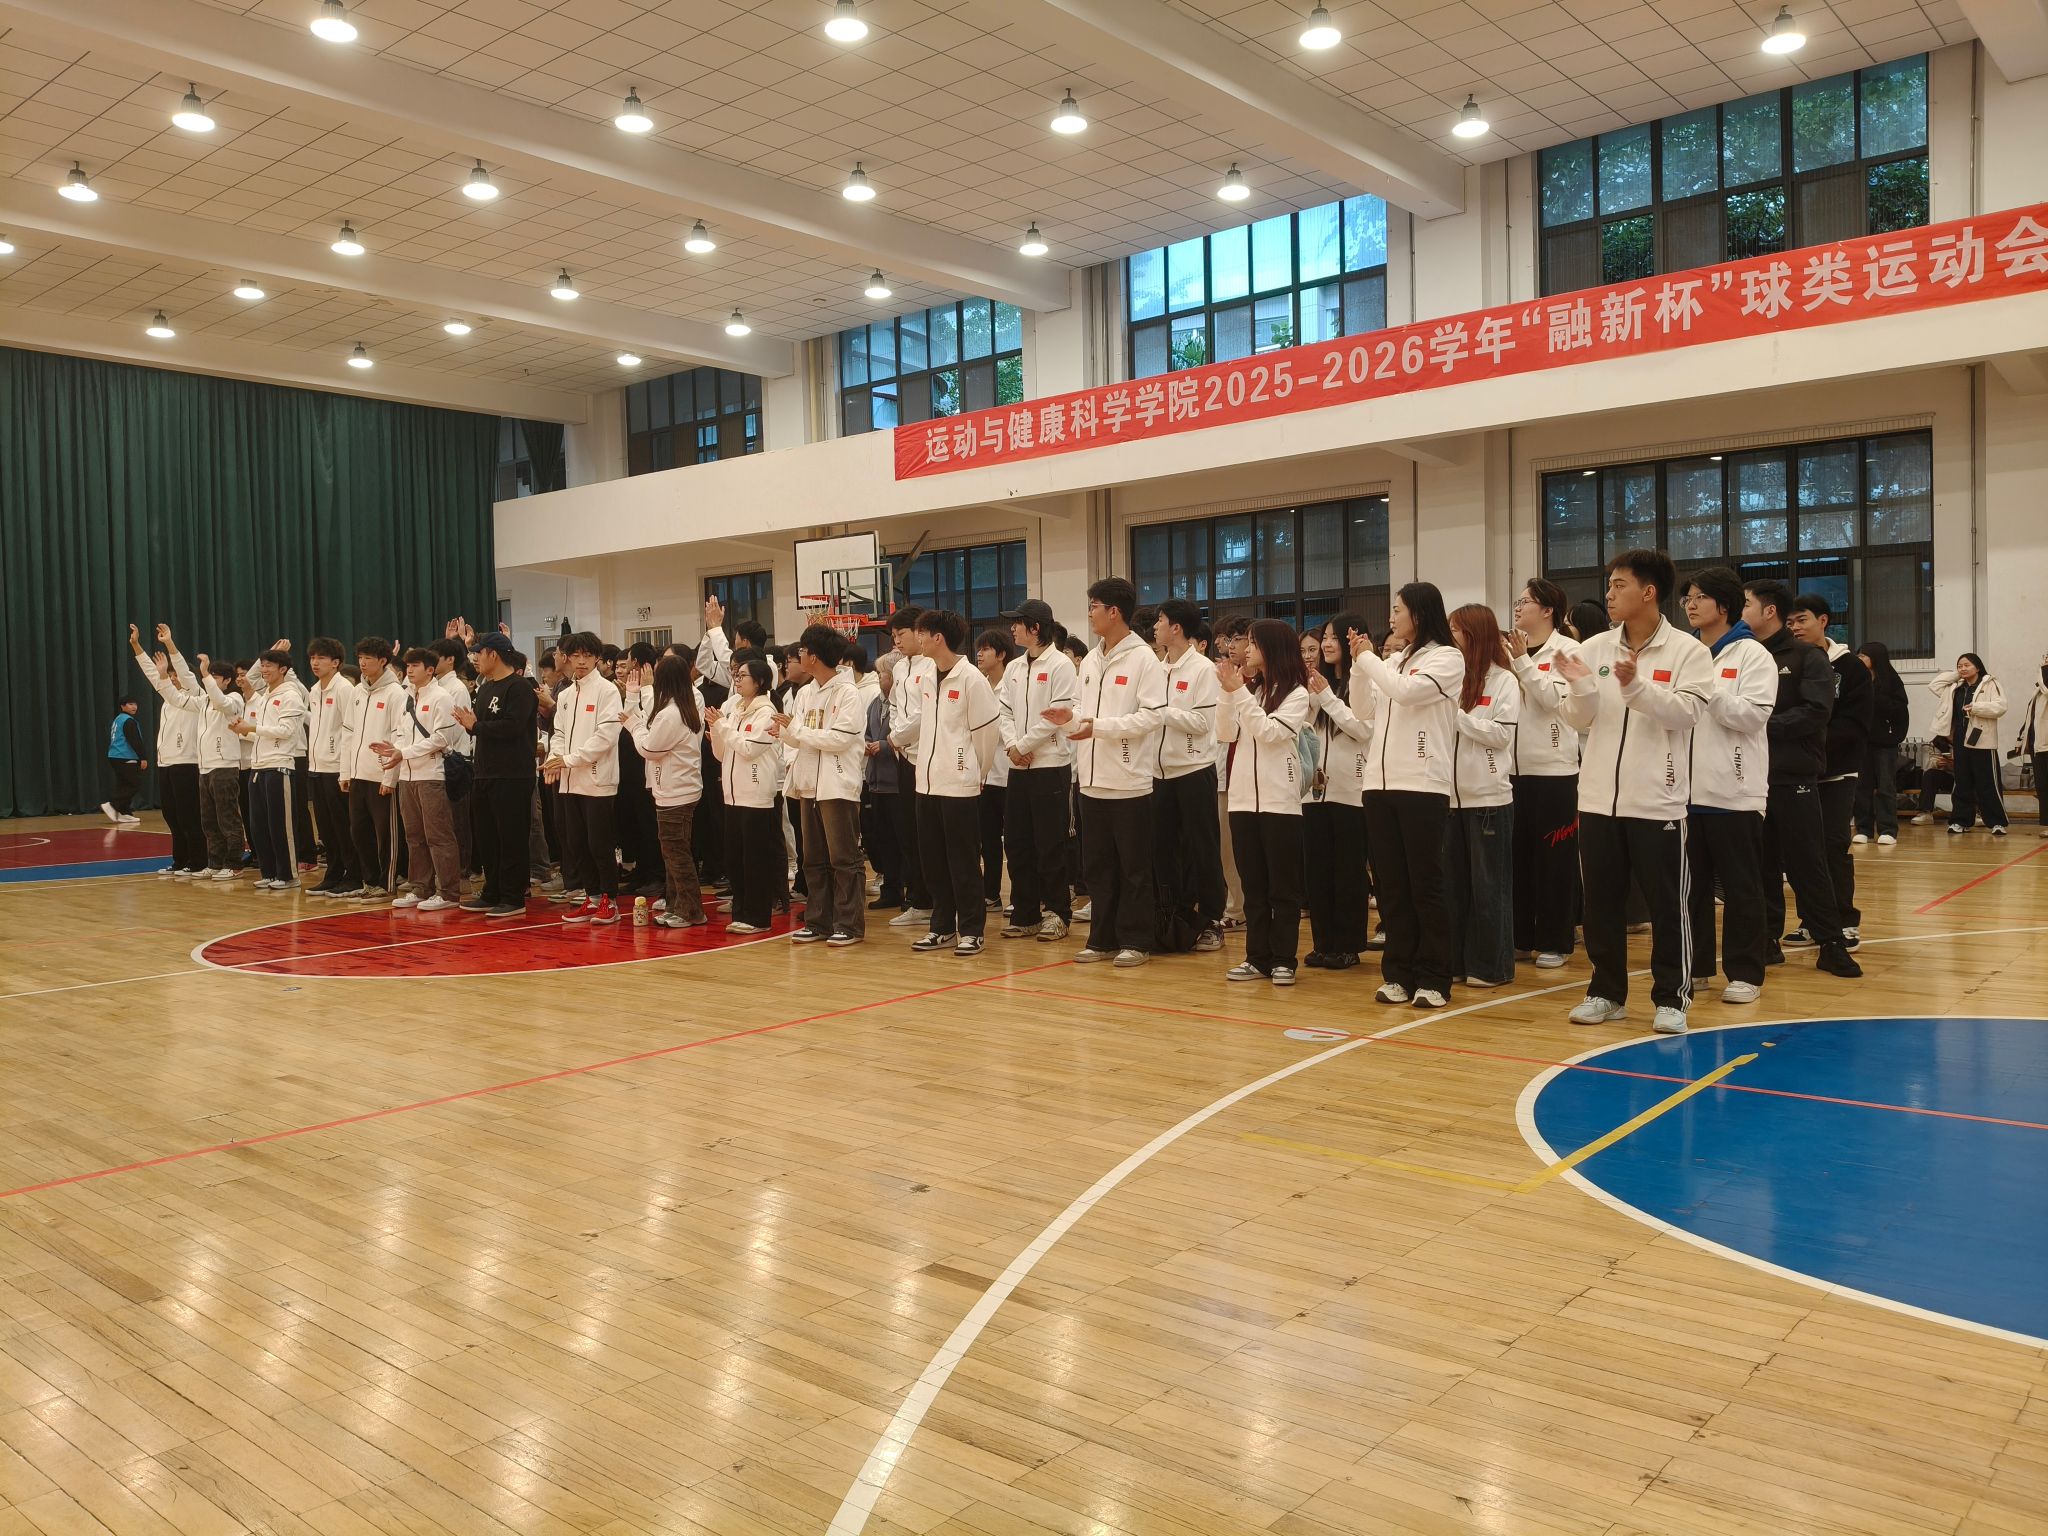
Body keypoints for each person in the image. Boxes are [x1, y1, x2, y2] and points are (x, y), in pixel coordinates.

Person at [1556, 550, 1717, 1033]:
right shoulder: (1594, 649)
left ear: (1648, 592)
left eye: (1619, 584)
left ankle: (1672, 998)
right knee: (1600, 904)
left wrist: (1637, 688)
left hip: (1657, 801)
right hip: (1597, 798)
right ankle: (1606, 992)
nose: (1609, 593)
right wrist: (1580, 688)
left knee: (1668, 904)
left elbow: (1688, 713)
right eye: (1609, 584)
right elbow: (1577, 719)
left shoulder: (1688, 652)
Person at [1351, 583, 1466, 1008]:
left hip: (1422, 784)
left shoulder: (1447, 658)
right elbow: (1363, 709)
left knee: (1426, 885)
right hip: (1378, 786)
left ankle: (1434, 977)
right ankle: (1398, 973)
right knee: (1392, 887)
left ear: (1419, 613)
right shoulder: (1394, 660)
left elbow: (1407, 693)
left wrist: (1368, 659)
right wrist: (1359, 666)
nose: (1391, 618)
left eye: (1397, 610)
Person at [1742, 579, 1862, 977]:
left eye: (1746, 604)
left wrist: (1757, 725)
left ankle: (1830, 943)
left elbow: (1815, 712)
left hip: (1793, 774)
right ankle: (1767, 939)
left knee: (1807, 862)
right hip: (1750, 778)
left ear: (1769, 610)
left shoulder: (1808, 656)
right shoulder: (1745, 654)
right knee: (1761, 864)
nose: (1740, 611)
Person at [1051, 577, 1167, 967]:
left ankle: (1136, 940)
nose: (1089, 614)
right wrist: (1069, 719)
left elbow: (1152, 717)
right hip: (1091, 780)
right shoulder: (1091, 661)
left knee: (1134, 869)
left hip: (1129, 782)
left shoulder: (1143, 659)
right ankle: (1102, 938)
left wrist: (1098, 727)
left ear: (1113, 612)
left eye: (1094, 607)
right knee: (1098, 868)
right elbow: (1082, 710)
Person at [1679, 566, 1776, 1005]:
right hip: (1683, 793)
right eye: (1687, 598)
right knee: (1690, 889)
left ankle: (1745, 972)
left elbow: (1753, 715)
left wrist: (1707, 692)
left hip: (1734, 793)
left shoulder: (1752, 655)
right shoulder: (1684, 652)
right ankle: (1696, 966)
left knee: (1741, 888)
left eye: (1699, 597)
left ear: (1724, 605)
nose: (1690, 604)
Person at [1217, 619, 1314, 984]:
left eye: (1254, 644)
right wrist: (1228, 693)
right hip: (1242, 801)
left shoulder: (1297, 694)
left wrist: (1239, 694)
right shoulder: (1251, 691)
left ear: (1271, 649)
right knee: (1254, 886)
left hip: (1279, 803)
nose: (1247, 650)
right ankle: (1257, 958)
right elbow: (1225, 732)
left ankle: (1284, 959)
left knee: (1282, 888)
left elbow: (1271, 732)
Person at [898, 609, 1000, 955]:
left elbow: (986, 735)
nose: (918, 639)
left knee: (963, 862)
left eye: (922, 633)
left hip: (959, 786)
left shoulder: (971, 679)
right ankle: (941, 927)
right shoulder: (927, 676)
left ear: (937, 637)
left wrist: (972, 771)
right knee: (934, 862)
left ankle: (971, 929)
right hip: (926, 785)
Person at [1445, 604, 1522, 989]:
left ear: (1475, 635)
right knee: (1454, 888)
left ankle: (1492, 967)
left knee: (1489, 888)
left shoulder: (1503, 680)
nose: (1450, 637)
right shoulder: (1451, 678)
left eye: (1456, 630)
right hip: (1449, 799)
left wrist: (1456, 717)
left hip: (1489, 799)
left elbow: (1502, 735)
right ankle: (1458, 962)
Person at [1507, 579, 1582, 968]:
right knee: (1516, 858)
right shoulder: (1507, 652)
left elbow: (1555, 699)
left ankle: (1556, 940)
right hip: (1509, 771)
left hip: (1554, 770)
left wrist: (1523, 663)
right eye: (1517, 602)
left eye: (1525, 602)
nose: (1518, 608)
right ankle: (1520, 937)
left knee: (1554, 860)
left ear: (1548, 610)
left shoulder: (1568, 650)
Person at [1787, 594, 1872, 943]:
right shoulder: (1788, 663)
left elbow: (1855, 723)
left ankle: (1844, 919)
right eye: (1790, 622)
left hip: (1837, 771)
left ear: (1823, 621)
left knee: (1833, 844)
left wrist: (1812, 740)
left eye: (1802, 620)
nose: (1795, 627)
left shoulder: (1850, 667)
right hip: (1798, 773)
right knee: (1802, 850)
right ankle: (1811, 920)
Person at [778, 624, 868, 947]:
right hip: (808, 784)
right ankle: (819, 921)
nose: (799, 656)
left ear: (813, 656)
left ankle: (849, 924)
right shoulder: (805, 693)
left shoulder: (848, 693)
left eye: (802, 651)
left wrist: (797, 731)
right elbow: (797, 737)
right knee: (812, 858)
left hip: (837, 784)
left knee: (844, 858)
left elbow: (840, 739)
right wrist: (785, 733)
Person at [995, 600, 1077, 942]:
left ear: (1036, 628)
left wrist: (1025, 745)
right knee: (1017, 843)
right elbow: (1004, 711)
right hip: (1019, 768)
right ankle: (1026, 913)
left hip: (1050, 766)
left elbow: (1058, 715)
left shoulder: (1061, 665)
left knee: (1050, 844)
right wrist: (1013, 746)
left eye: (1018, 623)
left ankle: (1057, 913)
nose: (1012, 629)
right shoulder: (1014, 667)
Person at [1151, 599, 1224, 952]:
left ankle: (1212, 919)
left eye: (1160, 621)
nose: (1155, 627)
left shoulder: (1203, 669)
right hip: (1158, 773)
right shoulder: (1155, 668)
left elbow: (1202, 722)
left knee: (1202, 847)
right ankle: (1173, 917)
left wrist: (1162, 711)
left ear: (1176, 628)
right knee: (1164, 849)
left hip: (1194, 770)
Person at [1303, 616, 1373, 969]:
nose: (1326, 644)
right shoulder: (1321, 682)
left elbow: (1363, 729)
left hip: (1352, 791)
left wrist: (1327, 698)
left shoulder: (1363, 679)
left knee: (1348, 872)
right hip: (1315, 791)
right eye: (1325, 637)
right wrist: (1312, 696)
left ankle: (1348, 945)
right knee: (1317, 871)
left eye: (1333, 637)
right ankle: (1323, 942)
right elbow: (1304, 727)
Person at [622, 650, 707, 928]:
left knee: (677, 854)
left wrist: (633, 726)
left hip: (675, 791)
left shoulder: (672, 714)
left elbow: (649, 748)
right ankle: (675, 904)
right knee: (674, 853)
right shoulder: (682, 706)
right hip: (679, 787)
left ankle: (690, 911)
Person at [455, 633, 537, 918]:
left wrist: (475, 726)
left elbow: (513, 726)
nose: (475, 658)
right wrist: (471, 725)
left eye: (479, 653)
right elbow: (480, 727)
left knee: (511, 837)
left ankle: (513, 897)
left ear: (494, 654)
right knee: (487, 837)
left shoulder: (519, 687)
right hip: (484, 772)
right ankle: (492, 891)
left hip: (513, 774)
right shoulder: (486, 687)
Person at [545, 631, 624, 924]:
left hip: (597, 780)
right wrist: (555, 758)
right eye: (576, 655)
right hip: (569, 780)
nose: (581, 661)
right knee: (575, 842)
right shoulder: (566, 694)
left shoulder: (607, 691)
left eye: (587, 656)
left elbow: (606, 736)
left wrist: (569, 759)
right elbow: (559, 732)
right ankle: (591, 897)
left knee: (599, 843)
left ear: (596, 658)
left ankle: (609, 901)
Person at [375, 647, 462, 912]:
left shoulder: (441, 697)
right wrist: (395, 751)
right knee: (414, 836)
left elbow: (441, 738)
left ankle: (448, 892)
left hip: (432, 775)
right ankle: (420, 888)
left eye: (415, 666)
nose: (409, 670)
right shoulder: (408, 697)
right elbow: (402, 733)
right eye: (407, 666)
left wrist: (404, 753)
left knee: (439, 835)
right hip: (407, 776)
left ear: (430, 670)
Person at [706, 657, 784, 934]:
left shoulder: (767, 712)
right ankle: (741, 912)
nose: (737, 681)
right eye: (736, 676)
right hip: (732, 795)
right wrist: (716, 729)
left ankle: (759, 917)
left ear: (759, 682)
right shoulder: (736, 711)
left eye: (742, 676)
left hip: (756, 795)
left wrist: (723, 727)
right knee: (735, 859)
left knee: (755, 860)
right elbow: (721, 754)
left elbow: (750, 749)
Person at [129, 623, 205, 871]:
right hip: (167, 763)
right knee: (171, 815)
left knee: (188, 815)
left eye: (175, 675)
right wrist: (136, 645)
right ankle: (180, 860)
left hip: (187, 763)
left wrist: (169, 643)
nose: (172, 678)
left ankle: (198, 861)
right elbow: (153, 674)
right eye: (169, 675)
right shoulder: (168, 699)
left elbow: (183, 670)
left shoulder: (195, 695)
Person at [338, 637, 402, 899]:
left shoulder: (396, 693)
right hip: (358, 775)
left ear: (383, 661)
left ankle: (387, 884)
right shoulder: (357, 692)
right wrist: (345, 772)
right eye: (360, 658)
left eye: (368, 658)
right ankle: (370, 881)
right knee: (359, 832)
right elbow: (347, 733)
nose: (362, 663)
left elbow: (398, 736)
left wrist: (390, 777)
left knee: (386, 834)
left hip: (381, 776)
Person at [238, 648, 308, 890]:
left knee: (280, 824)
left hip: (279, 765)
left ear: (283, 669)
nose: (264, 670)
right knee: (259, 825)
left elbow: (286, 731)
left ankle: (288, 875)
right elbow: (262, 733)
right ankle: (269, 872)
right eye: (263, 665)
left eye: (269, 665)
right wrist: (243, 731)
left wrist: (252, 728)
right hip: (258, 766)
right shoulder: (265, 695)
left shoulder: (291, 695)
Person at [883, 608, 934, 928]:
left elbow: (923, 713)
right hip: (903, 755)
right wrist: (894, 735)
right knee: (907, 831)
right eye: (894, 636)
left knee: (928, 833)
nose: (897, 641)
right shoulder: (900, 667)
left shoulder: (932, 665)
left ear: (919, 632)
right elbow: (894, 706)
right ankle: (919, 899)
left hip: (927, 756)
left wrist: (898, 736)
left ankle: (936, 899)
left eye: (901, 634)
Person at [302, 636, 359, 898]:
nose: (315, 662)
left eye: (321, 658)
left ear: (335, 663)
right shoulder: (315, 690)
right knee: (325, 828)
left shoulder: (344, 689)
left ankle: (354, 875)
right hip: (317, 767)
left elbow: (350, 730)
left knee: (343, 825)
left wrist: (345, 770)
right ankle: (333, 873)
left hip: (337, 768)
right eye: (313, 658)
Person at [1929, 654, 2010, 834]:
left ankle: (1997, 823)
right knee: (1962, 781)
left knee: (1987, 782)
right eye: (1960, 666)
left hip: (1983, 739)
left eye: (1967, 665)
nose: (1963, 668)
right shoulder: (1955, 687)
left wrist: (1976, 708)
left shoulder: (1990, 683)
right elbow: (1934, 685)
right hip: (1960, 738)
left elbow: (2001, 706)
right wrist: (1957, 675)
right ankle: (1961, 821)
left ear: (1978, 667)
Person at [1211, 614, 1251, 930]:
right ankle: (1236, 909)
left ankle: (1258, 908)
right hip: (1226, 773)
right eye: (1228, 639)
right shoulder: (1221, 677)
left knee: (1254, 849)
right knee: (1227, 848)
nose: (1229, 645)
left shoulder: (1265, 680)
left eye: (1236, 638)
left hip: (1257, 776)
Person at [192, 652, 246, 879]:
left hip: (225, 766)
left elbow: (222, 703)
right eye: (209, 676)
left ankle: (234, 863)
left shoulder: (234, 698)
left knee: (228, 817)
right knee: (209, 820)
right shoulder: (204, 701)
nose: (211, 681)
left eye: (215, 677)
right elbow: (175, 697)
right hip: (205, 767)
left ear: (227, 680)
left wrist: (204, 673)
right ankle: (215, 862)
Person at [1855, 640, 1910, 845]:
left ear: (1875, 658)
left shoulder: (1891, 681)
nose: (1859, 659)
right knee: (1861, 786)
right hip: (1862, 742)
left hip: (1885, 743)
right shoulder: (1857, 679)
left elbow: (1900, 711)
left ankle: (1888, 829)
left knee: (1886, 786)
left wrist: (1875, 695)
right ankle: (1864, 828)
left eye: (1863, 655)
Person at [865, 650, 904, 908]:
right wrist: (867, 744)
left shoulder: (903, 702)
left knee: (903, 840)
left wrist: (884, 746)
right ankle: (890, 890)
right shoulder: (875, 704)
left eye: (882, 673)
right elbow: (867, 732)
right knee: (883, 840)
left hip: (897, 782)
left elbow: (907, 735)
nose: (879, 677)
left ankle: (910, 891)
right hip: (876, 781)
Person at [2015, 653, 2047, 836]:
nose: (2045, 661)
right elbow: (2031, 718)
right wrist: (2021, 739)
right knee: (2043, 786)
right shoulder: (2037, 693)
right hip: (2038, 745)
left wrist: (2044, 669)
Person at [101, 695, 146, 826]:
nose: (134, 707)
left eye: (135, 704)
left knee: (123, 784)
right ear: (122, 706)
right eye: (130, 704)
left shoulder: (118, 719)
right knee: (134, 784)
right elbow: (135, 740)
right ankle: (112, 805)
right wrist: (143, 757)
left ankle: (124, 812)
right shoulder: (128, 721)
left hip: (115, 756)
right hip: (125, 756)